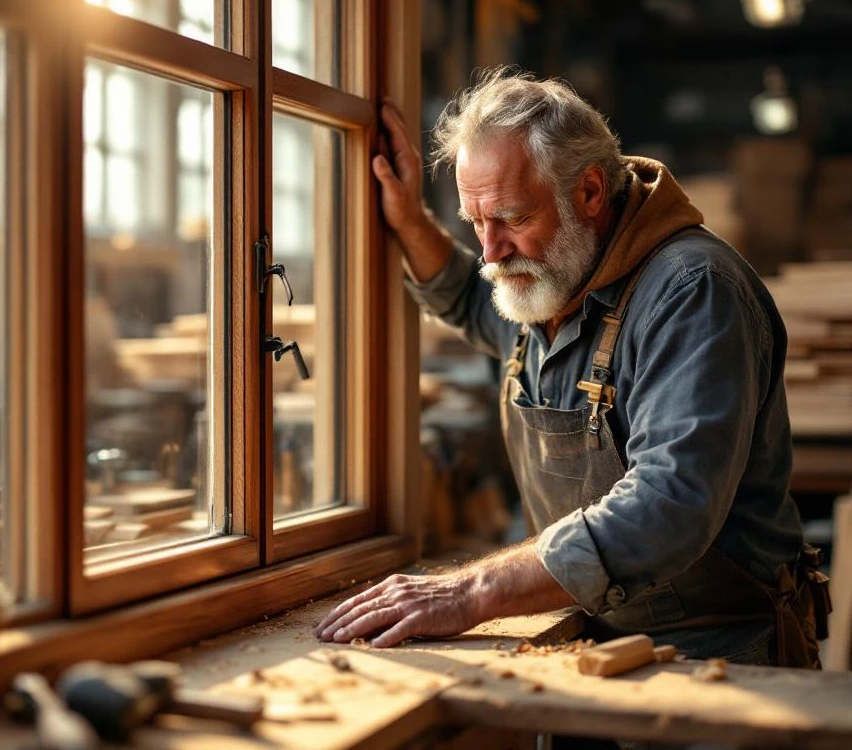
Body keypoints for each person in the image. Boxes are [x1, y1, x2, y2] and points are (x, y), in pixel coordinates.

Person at [314, 69, 828, 667]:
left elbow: (669, 504)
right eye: (475, 222)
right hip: (591, 637)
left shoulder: (692, 292)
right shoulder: (558, 269)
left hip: (719, 654)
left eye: (510, 217)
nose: (491, 250)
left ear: (588, 192)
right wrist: (408, 220)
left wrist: (471, 589)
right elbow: (473, 301)